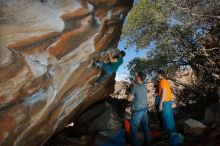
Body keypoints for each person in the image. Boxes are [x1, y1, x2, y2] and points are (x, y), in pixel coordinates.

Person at [127, 72, 151, 146]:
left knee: (133, 129)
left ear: (139, 77)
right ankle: (147, 143)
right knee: (145, 127)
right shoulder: (144, 86)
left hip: (137, 110)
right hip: (144, 109)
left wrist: (128, 92)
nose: (135, 76)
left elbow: (129, 99)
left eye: (136, 75)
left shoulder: (134, 86)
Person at [156, 70, 176, 137]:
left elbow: (164, 92)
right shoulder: (165, 81)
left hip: (165, 102)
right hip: (169, 101)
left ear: (160, 74)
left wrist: (161, 103)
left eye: (157, 74)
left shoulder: (162, 81)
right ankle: (174, 132)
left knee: (167, 120)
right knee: (170, 118)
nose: (157, 75)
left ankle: (171, 135)